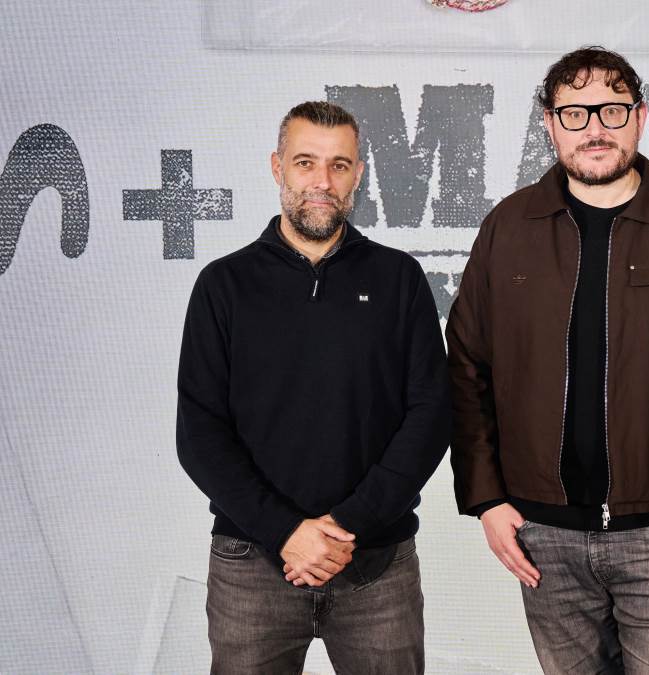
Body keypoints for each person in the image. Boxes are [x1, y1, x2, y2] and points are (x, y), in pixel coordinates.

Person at [446, 46, 649, 674]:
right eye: (575, 113)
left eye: (612, 110)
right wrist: (486, 499)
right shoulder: (508, 228)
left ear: (640, 117)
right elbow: (465, 371)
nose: (594, 128)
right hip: (542, 539)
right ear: (550, 124)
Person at [176, 100, 450, 674]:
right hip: (251, 565)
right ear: (278, 167)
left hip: (377, 566)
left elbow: (430, 415)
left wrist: (346, 527)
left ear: (358, 174)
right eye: (305, 163)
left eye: (339, 165)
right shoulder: (223, 285)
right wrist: (285, 532)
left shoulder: (398, 278)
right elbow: (199, 433)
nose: (322, 181)